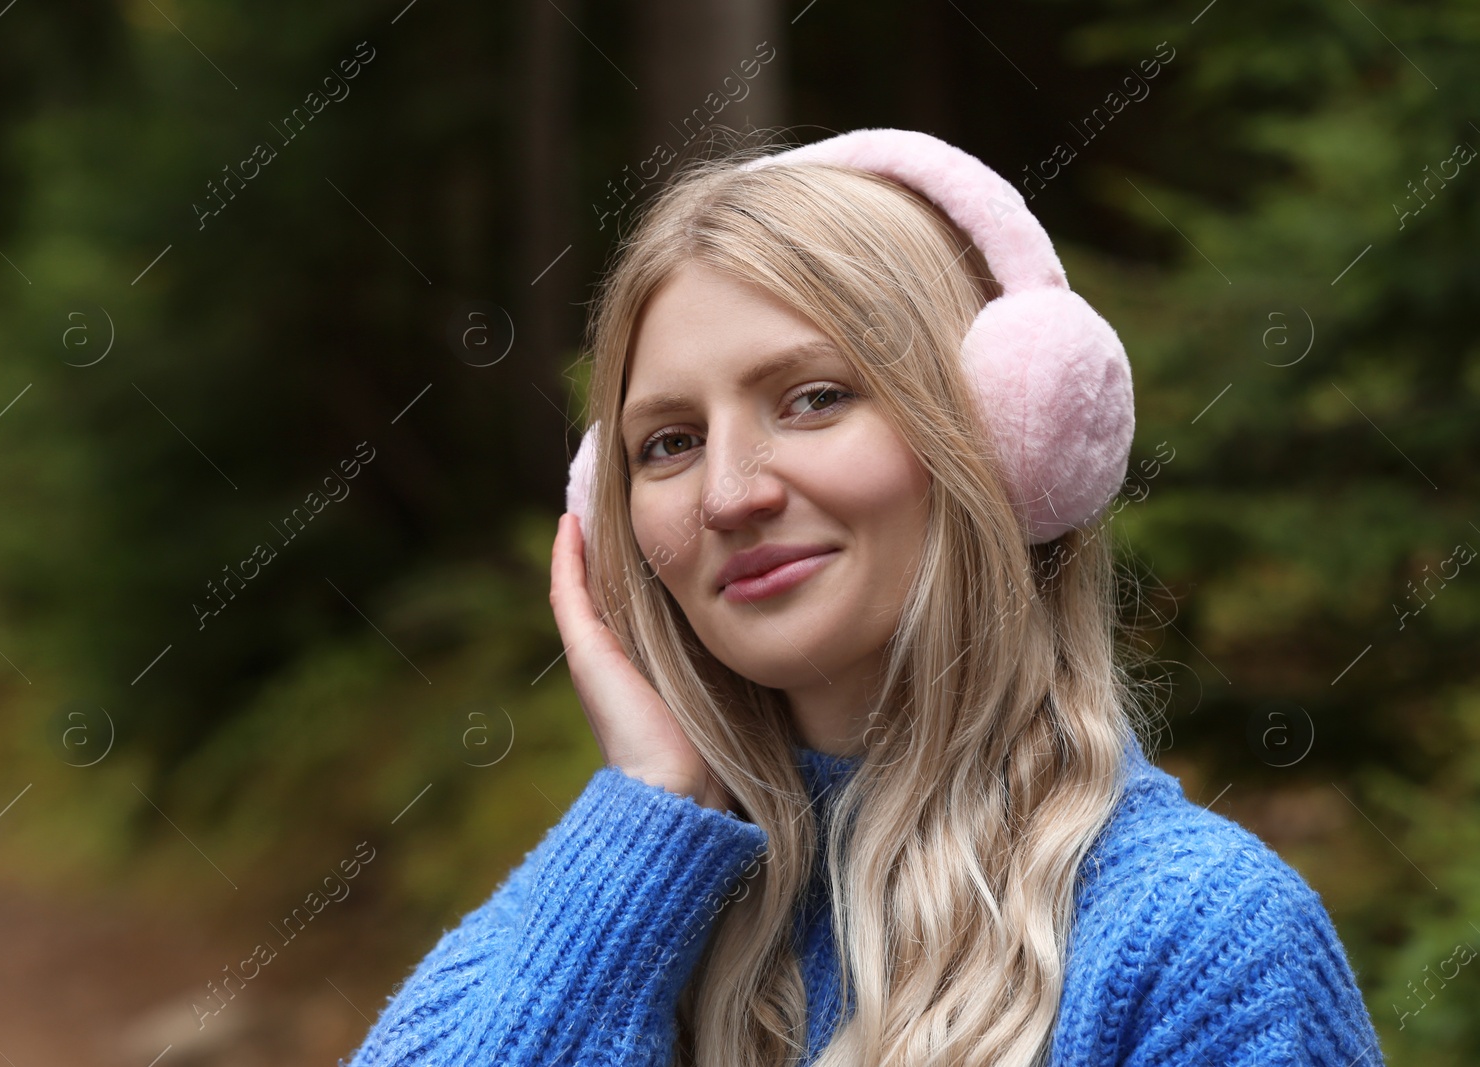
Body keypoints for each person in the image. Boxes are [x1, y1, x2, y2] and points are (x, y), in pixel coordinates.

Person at [340, 128, 1385, 1067]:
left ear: (998, 430)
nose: (730, 493)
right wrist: (649, 808)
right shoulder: (627, 902)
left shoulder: (1195, 941)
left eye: (813, 397)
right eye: (669, 442)